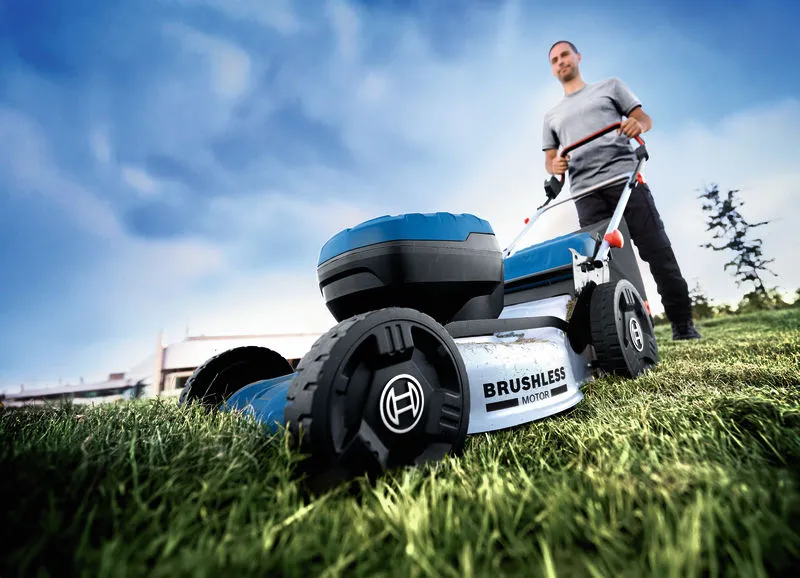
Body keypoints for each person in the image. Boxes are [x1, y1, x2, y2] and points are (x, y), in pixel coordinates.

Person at [542, 40, 701, 340]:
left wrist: (635, 125)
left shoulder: (610, 87)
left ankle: (683, 324)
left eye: (565, 55)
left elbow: (644, 118)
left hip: (626, 181)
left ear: (578, 57)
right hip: (586, 194)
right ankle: (635, 332)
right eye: (554, 59)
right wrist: (556, 165)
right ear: (552, 69)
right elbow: (550, 160)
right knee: (608, 267)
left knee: (658, 251)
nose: (560, 61)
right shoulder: (551, 117)